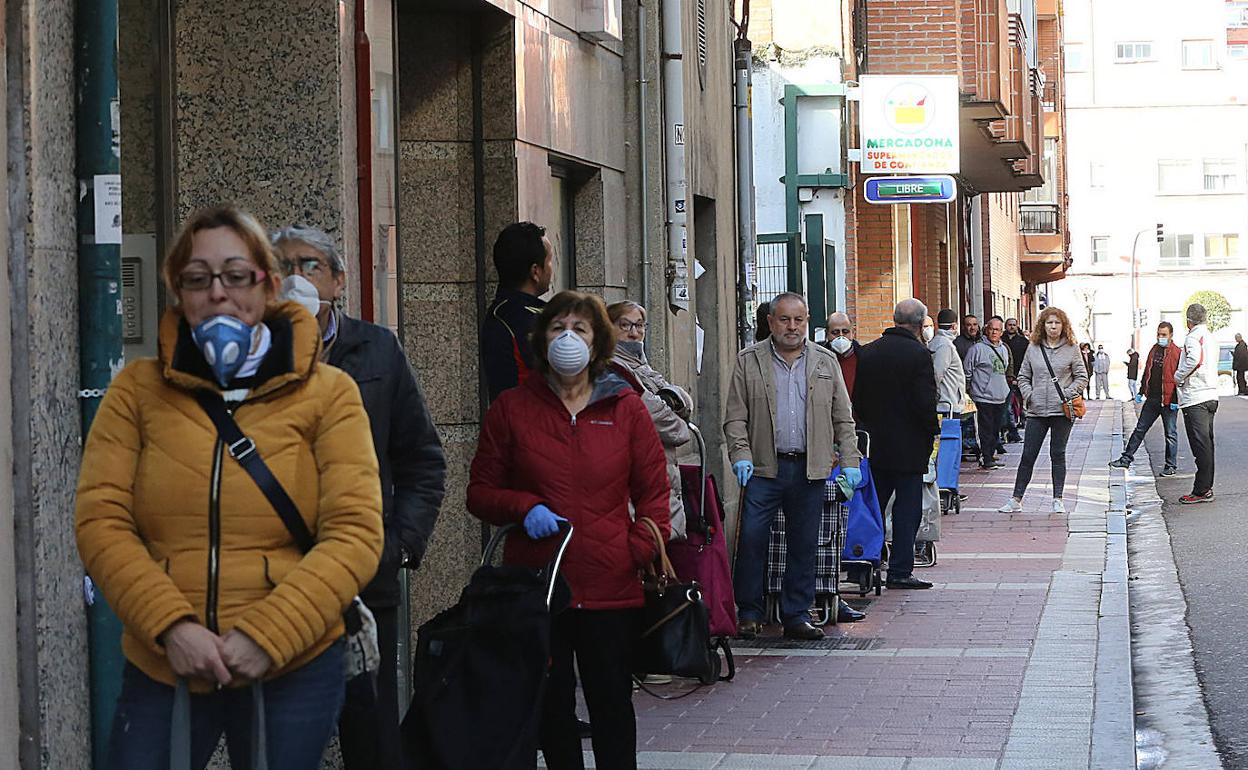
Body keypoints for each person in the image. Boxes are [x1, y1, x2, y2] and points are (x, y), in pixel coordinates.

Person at [75, 206, 384, 769]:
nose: (218, 294)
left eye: (236, 275)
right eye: (198, 278)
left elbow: (355, 533)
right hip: (164, 662)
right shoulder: (136, 392)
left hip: (291, 663)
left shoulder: (328, 393)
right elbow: (102, 521)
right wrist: (172, 627)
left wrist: (267, 635)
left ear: (267, 284)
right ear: (178, 292)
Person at [467, 290, 670, 770]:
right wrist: (523, 506)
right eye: (558, 328)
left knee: (612, 706)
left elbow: (654, 491)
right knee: (551, 709)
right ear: (542, 339)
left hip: (611, 583)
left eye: (580, 329)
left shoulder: (625, 407)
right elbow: (479, 491)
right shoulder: (513, 409)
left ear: (598, 340)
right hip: (539, 586)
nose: (568, 339)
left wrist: (636, 546)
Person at [272, 225, 447, 770]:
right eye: (282, 269)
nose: (295, 280)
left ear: (339, 280)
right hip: (274, 574)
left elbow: (422, 455)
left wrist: (398, 544)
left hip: (363, 574)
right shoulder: (247, 354)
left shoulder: (377, 349)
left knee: (368, 722)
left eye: (309, 266)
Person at [724, 293, 863, 640]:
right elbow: (735, 418)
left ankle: (796, 614)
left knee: (804, 543)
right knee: (753, 540)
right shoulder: (749, 361)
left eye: (798, 320)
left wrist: (850, 462)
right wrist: (740, 455)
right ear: (771, 322)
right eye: (784, 320)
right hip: (763, 470)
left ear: (807, 321)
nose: (792, 327)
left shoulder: (825, 361)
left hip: (809, 468)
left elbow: (843, 419)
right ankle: (750, 612)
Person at [854, 299, 941, 590]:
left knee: (873, 506)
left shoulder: (869, 352)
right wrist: (932, 431)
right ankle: (900, 570)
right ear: (920, 323)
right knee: (907, 510)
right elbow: (925, 402)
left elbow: (860, 400)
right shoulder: (919, 354)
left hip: (875, 446)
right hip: (910, 446)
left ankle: (866, 562)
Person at [608, 300, 692, 540]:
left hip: (660, 473)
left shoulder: (641, 365)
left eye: (640, 325)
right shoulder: (615, 368)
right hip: (636, 477)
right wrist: (678, 419)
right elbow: (661, 420)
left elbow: (683, 399)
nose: (634, 333)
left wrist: (674, 404)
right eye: (625, 325)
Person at [998, 307, 1088, 514]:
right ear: (1043, 325)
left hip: (1061, 411)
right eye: (1049, 323)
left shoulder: (1072, 348)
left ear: (1063, 325)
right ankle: (1016, 499)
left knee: (1058, 453)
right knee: (1028, 454)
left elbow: (1082, 376)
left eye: (1057, 323)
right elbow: (1023, 376)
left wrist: (1067, 392)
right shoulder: (1033, 348)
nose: (1053, 326)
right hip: (1037, 410)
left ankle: (1058, 498)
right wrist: (1030, 394)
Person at [481, 222, 554, 401]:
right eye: (550, 260)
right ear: (535, 271)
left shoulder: (504, 313)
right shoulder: (521, 319)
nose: (552, 267)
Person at [1110, 322, 1181, 476]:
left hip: (1168, 400)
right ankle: (1126, 459)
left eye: (1164, 335)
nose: (1160, 337)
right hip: (1152, 399)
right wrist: (1142, 391)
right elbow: (1147, 373)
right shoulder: (1154, 350)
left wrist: (1175, 400)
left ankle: (1170, 466)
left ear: (1171, 336)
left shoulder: (1176, 353)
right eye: (1159, 334)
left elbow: (1179, 379)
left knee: (1170, 433)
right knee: (1140, 429)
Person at [1174, 303, 1219, 504]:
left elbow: (1194, 360)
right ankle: (1205, 487)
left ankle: (1201, 490)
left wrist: (1178, 376)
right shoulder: (1210, 336)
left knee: (1200, 446)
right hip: (1211, 395)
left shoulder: (1193, 337)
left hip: (1196, 397)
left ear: (1188, 321)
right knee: (1207, 445)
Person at [964, 316, 1012, 470]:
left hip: (1000, 396)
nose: (994, 332)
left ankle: (991, 455)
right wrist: (971, 390)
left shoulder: (1004, 349)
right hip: (983, 397)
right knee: (984, 429)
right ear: (986, 329)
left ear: (1001, 332)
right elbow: (967, 372)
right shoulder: (977, 349)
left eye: (997, 329)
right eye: (991, 329)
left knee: (995, 429)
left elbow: (1004, 369)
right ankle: (986, 458)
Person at [930, 309, 967, 416]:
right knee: (949, 432)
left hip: (945, 402)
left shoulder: (936, 342)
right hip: (947, 404)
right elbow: (937, 373)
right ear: (955, 326)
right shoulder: (945, 345)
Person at [821, 311, 861, 398]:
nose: (841, 336)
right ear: (827, 334)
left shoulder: (863, 358)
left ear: (853, 333)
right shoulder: (818, 359)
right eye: (835, 333)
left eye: (845, 332)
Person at [1003, 318, 1028, 441]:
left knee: (1019, 400)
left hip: (1020, 375)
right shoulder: (1001, 340)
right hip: (1005, 377)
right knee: (1008, 404)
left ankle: (1021, 420)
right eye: (1009, 325)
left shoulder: (1023, 342)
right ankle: (1010, 428)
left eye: (1014, 325)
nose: (1012, 327)